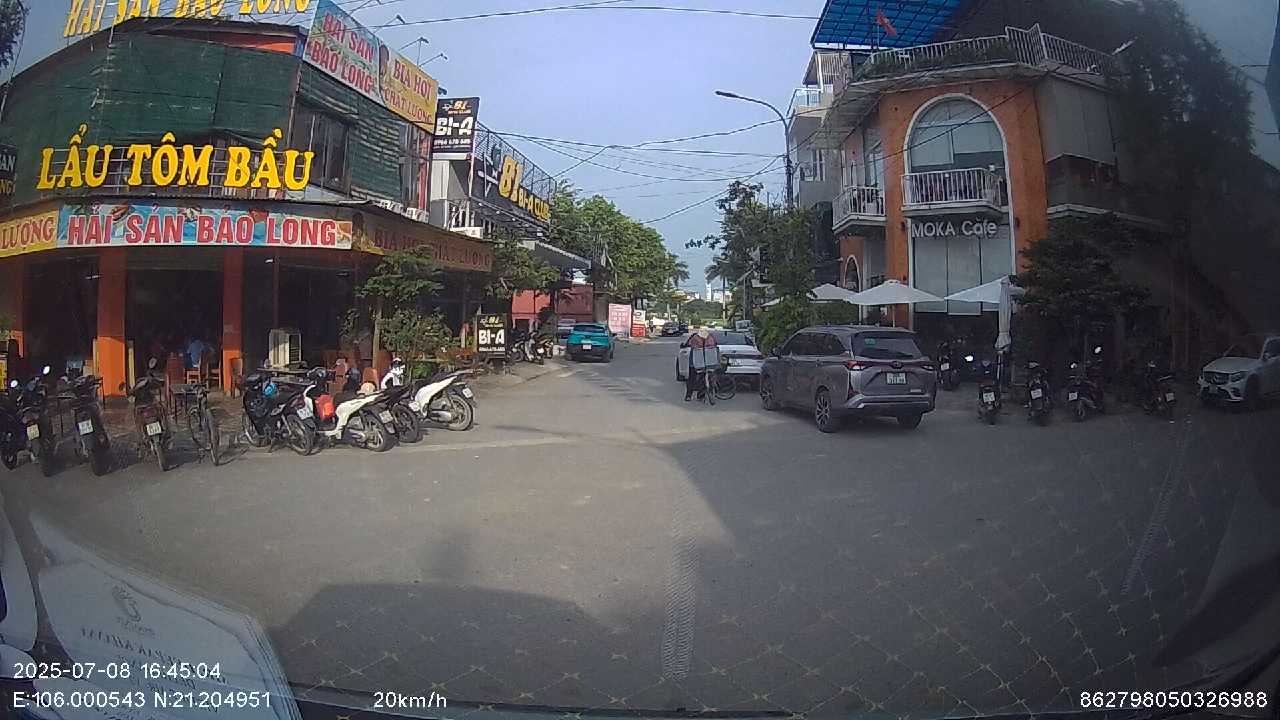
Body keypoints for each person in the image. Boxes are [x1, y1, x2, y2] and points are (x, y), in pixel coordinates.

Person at [684, 327, 719, 401]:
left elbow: (689, 344)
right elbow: (714, 346)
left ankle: (691, 395)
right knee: (699, 378)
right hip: (702, 362)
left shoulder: (696, 337)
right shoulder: (709, 337)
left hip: (698, 362)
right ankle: (697, 395)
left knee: (694, 378)